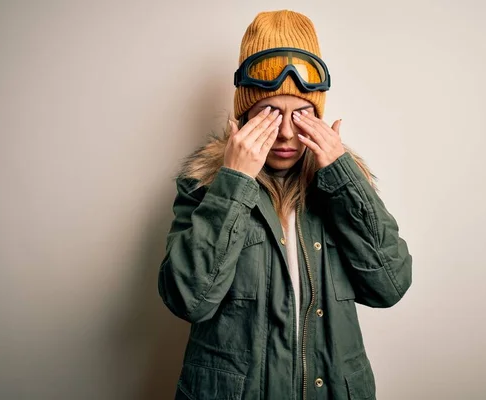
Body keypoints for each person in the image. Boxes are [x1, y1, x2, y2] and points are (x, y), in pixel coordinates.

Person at [158, 9, 412, 400]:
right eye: (270, 113)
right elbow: (188, 299)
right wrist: (234, 183)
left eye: (303, 113)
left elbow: (390, 286)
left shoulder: (341, 185)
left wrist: (343, 178)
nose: (287, 133)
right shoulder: (205, 185)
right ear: (243, 118)